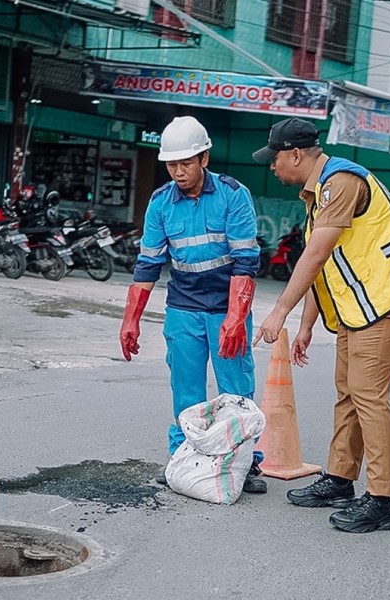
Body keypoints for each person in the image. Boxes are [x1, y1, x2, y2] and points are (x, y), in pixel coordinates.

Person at [251, 117, 390, 532]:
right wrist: (307, 325)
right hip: (360, 307)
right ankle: (339, 479)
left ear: (295, 154)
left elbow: (314, 256)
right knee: (348, 393)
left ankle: (381, 502)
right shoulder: (319, 193)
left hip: (388, 301)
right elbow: (326, 265)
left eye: (275, 158)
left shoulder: (341, 183)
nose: (272, 166)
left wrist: (281, 311)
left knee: (369, 396)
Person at [119, 116, 267, 494]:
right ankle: (184, 456)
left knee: (235, 388)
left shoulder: (234, 195)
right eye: (172, 165)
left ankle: (245, 464)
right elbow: (148, 264)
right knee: (185, 387)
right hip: (183, 306)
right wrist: (130, 321)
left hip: (226, 307)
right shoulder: (160, 203)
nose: (179, 172)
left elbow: (247, 261)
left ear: (204, 157)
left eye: (186, 163)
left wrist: (236, 318)